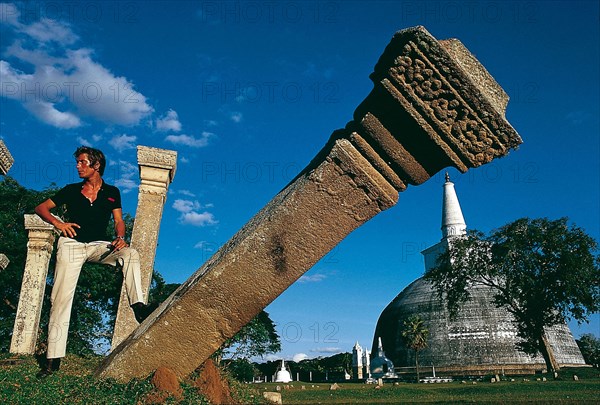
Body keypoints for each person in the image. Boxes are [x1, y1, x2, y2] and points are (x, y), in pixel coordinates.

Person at [34, 146, 151, 377]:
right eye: (77, 162)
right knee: (60, 298)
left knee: (130, 254)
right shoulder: (70, 190)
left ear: (96, 165)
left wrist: (120, 237)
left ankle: (139, 306)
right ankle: (52, 361)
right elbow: (41, 208)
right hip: (72, 245)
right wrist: (59, 224)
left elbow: (118, 220)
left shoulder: (112, 192)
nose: (78, 166)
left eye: (82, 162)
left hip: (99, 245)